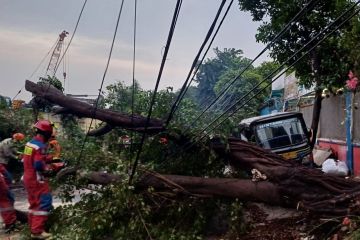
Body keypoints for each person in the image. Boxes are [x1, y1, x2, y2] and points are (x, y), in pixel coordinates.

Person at [23, 120, 53, 239]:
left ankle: (32, 228)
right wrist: (49, 168)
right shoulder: (41, 146)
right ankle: (37, 232)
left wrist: (47, 158)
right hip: (37, 179)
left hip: (27, 177)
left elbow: (29, 159)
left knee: (34, 203)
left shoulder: (29, 144)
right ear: (46, 133)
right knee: (44, 202)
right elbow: (38, 165)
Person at [0, 133, 25, 233]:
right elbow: (7, 153)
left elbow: (13, 151)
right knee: (7, 196)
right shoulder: (7, 142)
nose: (18, 142)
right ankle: (10, 223)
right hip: (1, 164)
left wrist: (19, 154)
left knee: (7, 196)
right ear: (16, 139)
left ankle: (10, 221)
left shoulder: (10, 142)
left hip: (2, 165)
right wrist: (17, 158)